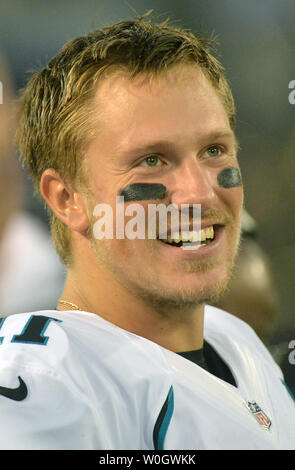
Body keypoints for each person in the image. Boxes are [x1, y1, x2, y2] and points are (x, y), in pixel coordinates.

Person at [0, 15, 294, 450]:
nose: (199, 192)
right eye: (152, 159)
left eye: (213, 150)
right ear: (66, 199)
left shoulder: (234, 340)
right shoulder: (44, 379)